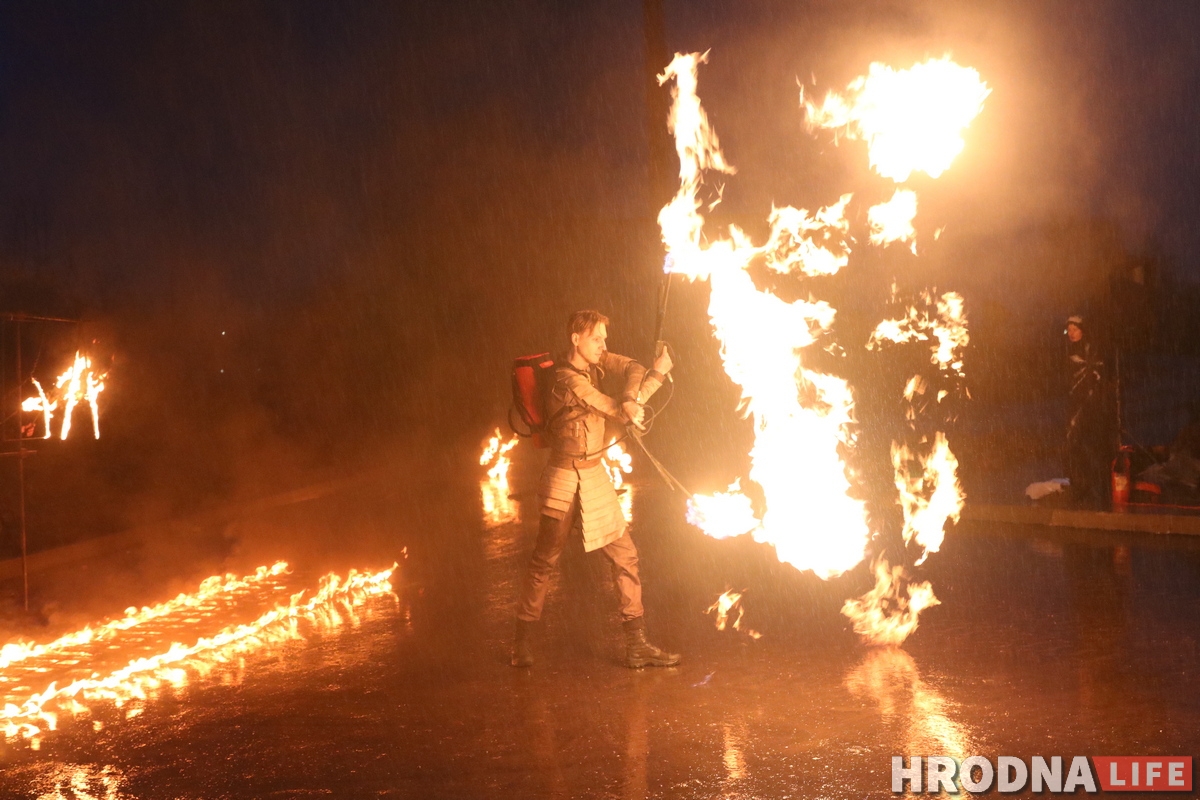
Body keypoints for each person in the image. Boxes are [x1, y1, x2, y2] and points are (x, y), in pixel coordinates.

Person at [512, 310, 679, 669]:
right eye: (596, 338)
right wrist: (659, 377)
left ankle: (637, 644)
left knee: (626, 557)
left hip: (594, 476)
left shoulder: (599, 362)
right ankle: (521, 643)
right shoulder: (565, 381)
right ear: (576, 339)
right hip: (563, 479)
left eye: (604, 337)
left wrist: (637, 389)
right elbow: (617, 412)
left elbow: (633, 367)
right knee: (544, 562)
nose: (604, 345)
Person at [1063, 315, 1113, 508]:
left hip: (1092, 407)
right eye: (1069, 330)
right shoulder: (1068, 352)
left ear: (1083, 330)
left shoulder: (1092, 351)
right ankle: (1079, 486)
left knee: (1093, 448)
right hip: (1075, 406)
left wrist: (1093, 399)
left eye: (1075, 329)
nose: (1072, 333)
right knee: (1073, 446)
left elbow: (1097, 374)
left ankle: (1099, 491)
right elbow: (1067, 379)